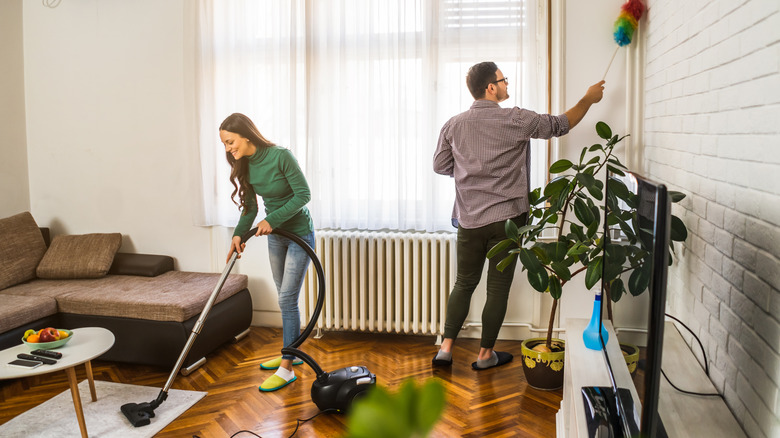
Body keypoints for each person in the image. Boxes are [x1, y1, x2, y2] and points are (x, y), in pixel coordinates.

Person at [432, 62, 604, 370]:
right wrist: (588, 100)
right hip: (508, 221)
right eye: (503, 80)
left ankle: (445, 348)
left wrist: (471, 172)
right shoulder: (516, 119)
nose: (507, 85)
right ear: (491, 87)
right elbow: (561, 124)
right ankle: (485, 356)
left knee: (464, 282)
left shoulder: (453, 125)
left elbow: (441, 166)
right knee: (497, 288)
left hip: (469, 220)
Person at [220, 113, 315, 391]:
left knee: (286, 298)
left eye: (230, 142)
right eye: (225, 144)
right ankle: (292, 353)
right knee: (285, 298)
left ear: (246, 135)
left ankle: (287, 368)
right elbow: (250, 207)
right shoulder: (244, 165)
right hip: (276, 237)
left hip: (299, 234)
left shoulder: (280, 156)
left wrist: (272, 220)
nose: (228, 148)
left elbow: (303, 195)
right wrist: (239, 233)